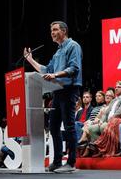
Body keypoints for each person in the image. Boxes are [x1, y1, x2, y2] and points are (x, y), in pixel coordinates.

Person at [23, 21, 82, 172]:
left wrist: (55, 74)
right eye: (51, 30)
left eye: (55, 30)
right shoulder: (57, 52)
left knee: (69, 126)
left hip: (69, 89)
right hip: (57, 91)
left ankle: (71, 163)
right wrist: (30, 60)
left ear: (64, 31)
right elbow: (46, 69)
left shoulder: (73, 46)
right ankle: (57, 162)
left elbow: (74, 68)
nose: (52, 33)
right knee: (54, 127)